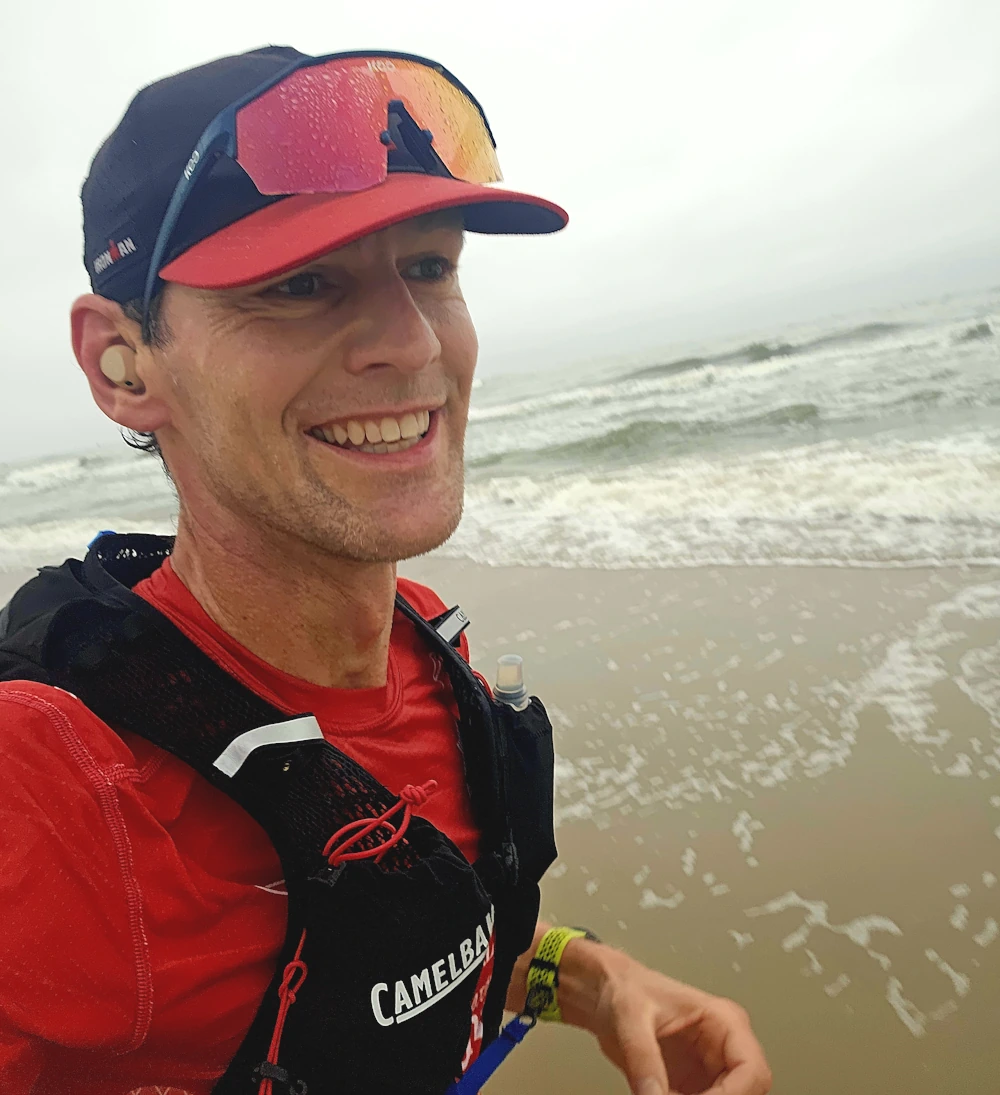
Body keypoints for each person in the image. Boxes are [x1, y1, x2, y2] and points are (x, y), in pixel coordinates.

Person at [0, 47, 772, 1095]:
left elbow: (419, 933)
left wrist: (590, 978)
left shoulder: (425, 639)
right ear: (121, 365)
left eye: (430, 267)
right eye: (302, 285)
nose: (410, 345)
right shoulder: (49, 783)